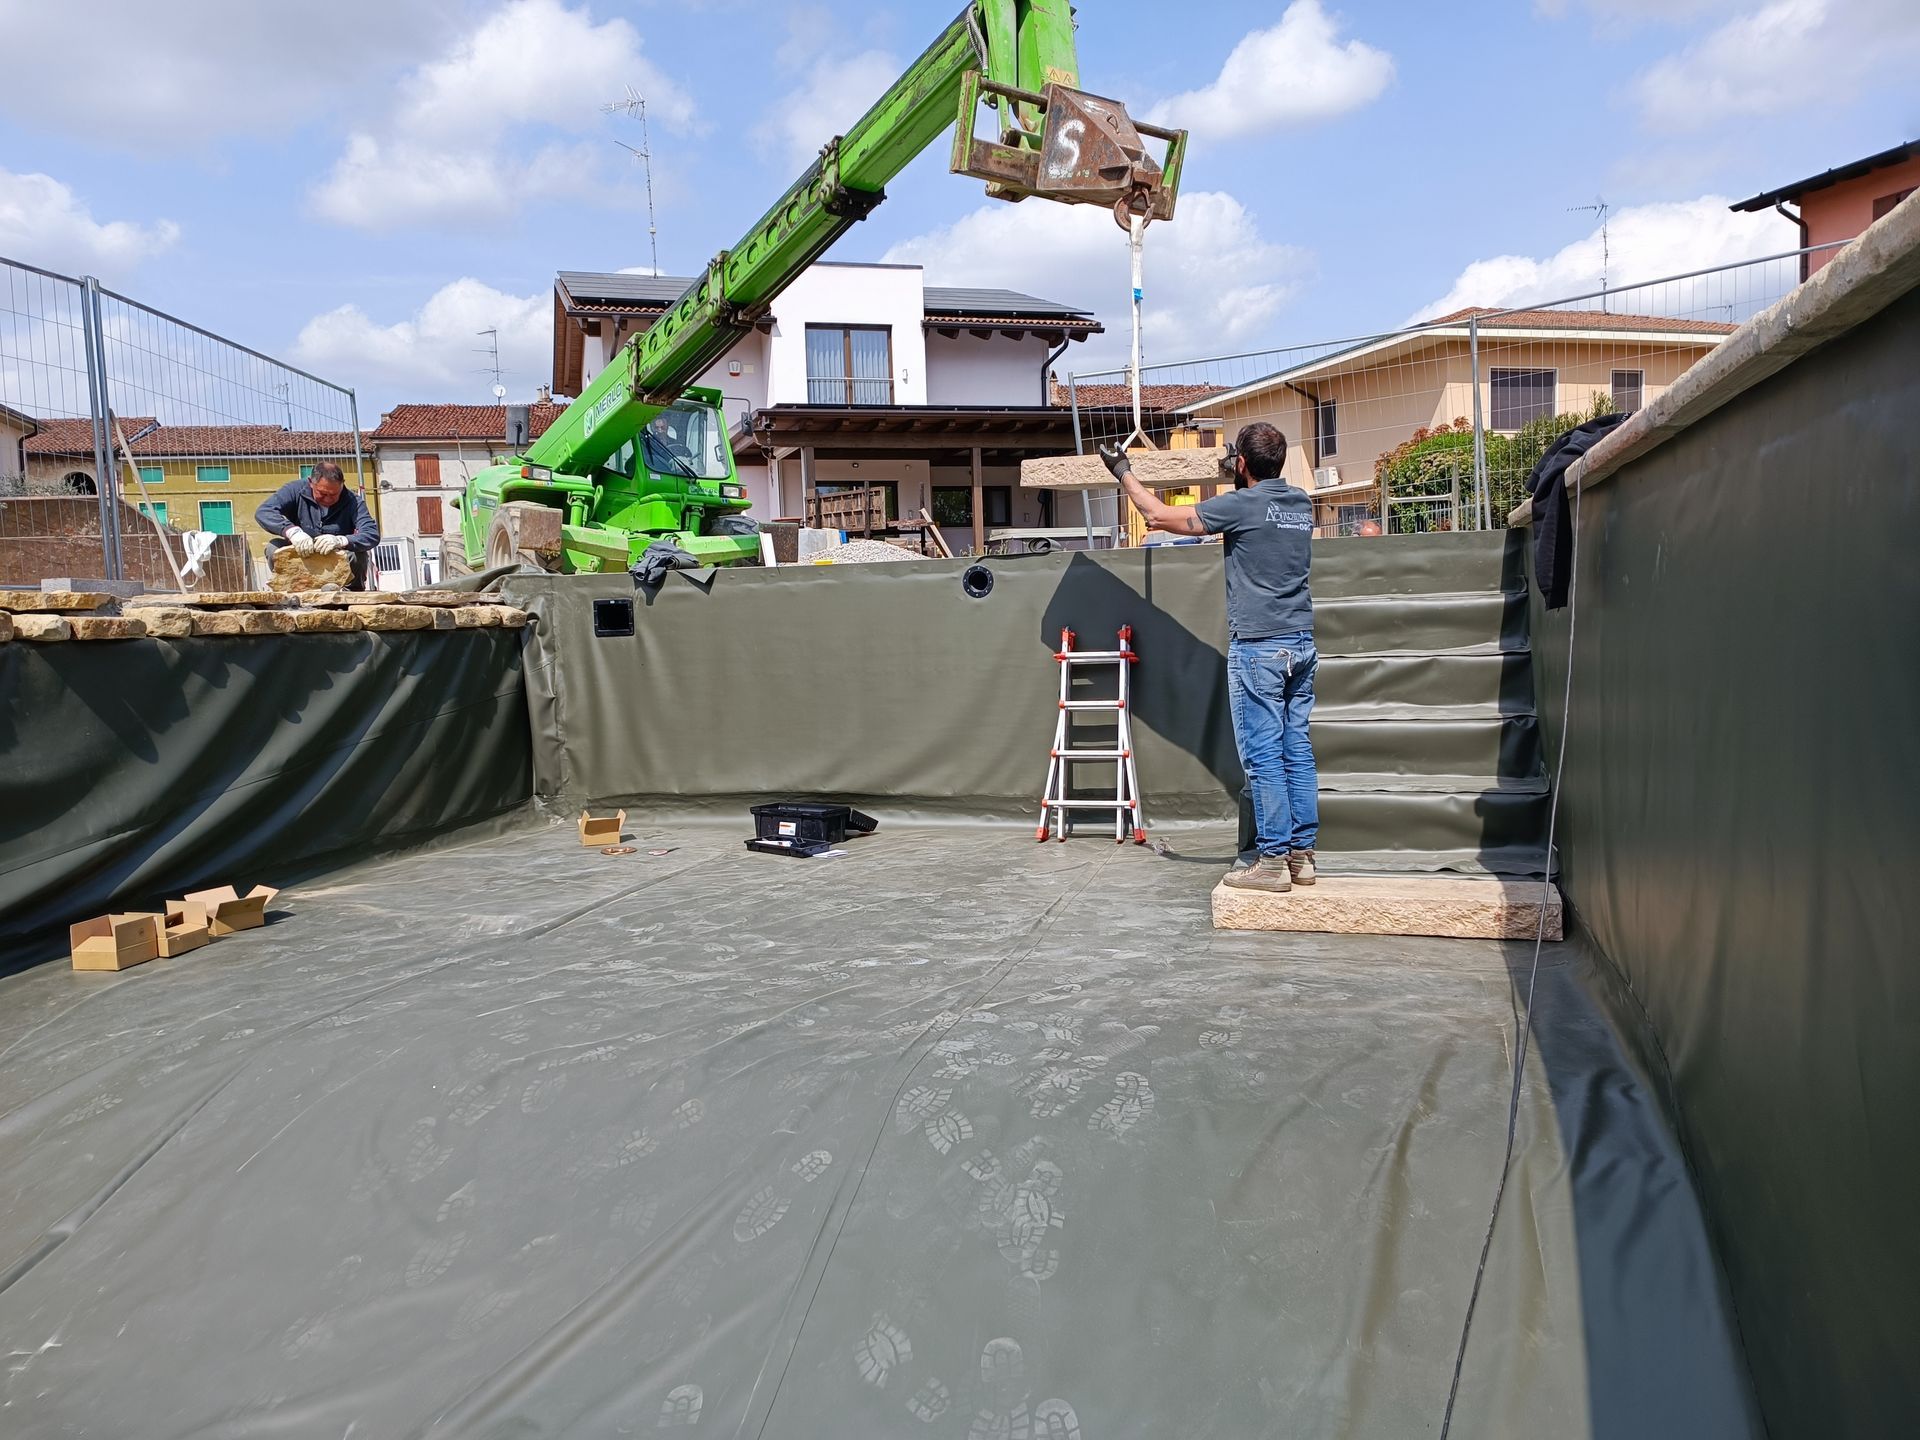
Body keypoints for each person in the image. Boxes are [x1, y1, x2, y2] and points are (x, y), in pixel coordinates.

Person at [1101, 422, 1318, 893]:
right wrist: (1238, 472)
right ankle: (1302, 858)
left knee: (1263, 758)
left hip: (1260, 647)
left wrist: (1123, 471)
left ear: (1242, 465)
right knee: (1295, 751)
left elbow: (1157, 516)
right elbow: (1260, 506)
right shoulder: (1301, 503)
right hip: (1300, 643)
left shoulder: (1241, 505)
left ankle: (1273, 861)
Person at [255, 461, 380, 590]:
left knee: (358, 554)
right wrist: (292, 531)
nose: (328, 499)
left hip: (337, 561)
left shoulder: (353, 501)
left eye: (334, 494)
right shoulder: (294, 490)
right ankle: (289, 589)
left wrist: (342, 540)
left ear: (342, 485)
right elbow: (264, 512)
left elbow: (371, 534)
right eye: (322, 493)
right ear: (311, 482)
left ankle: (351, 593)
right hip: (301, 557)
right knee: (273, 547)